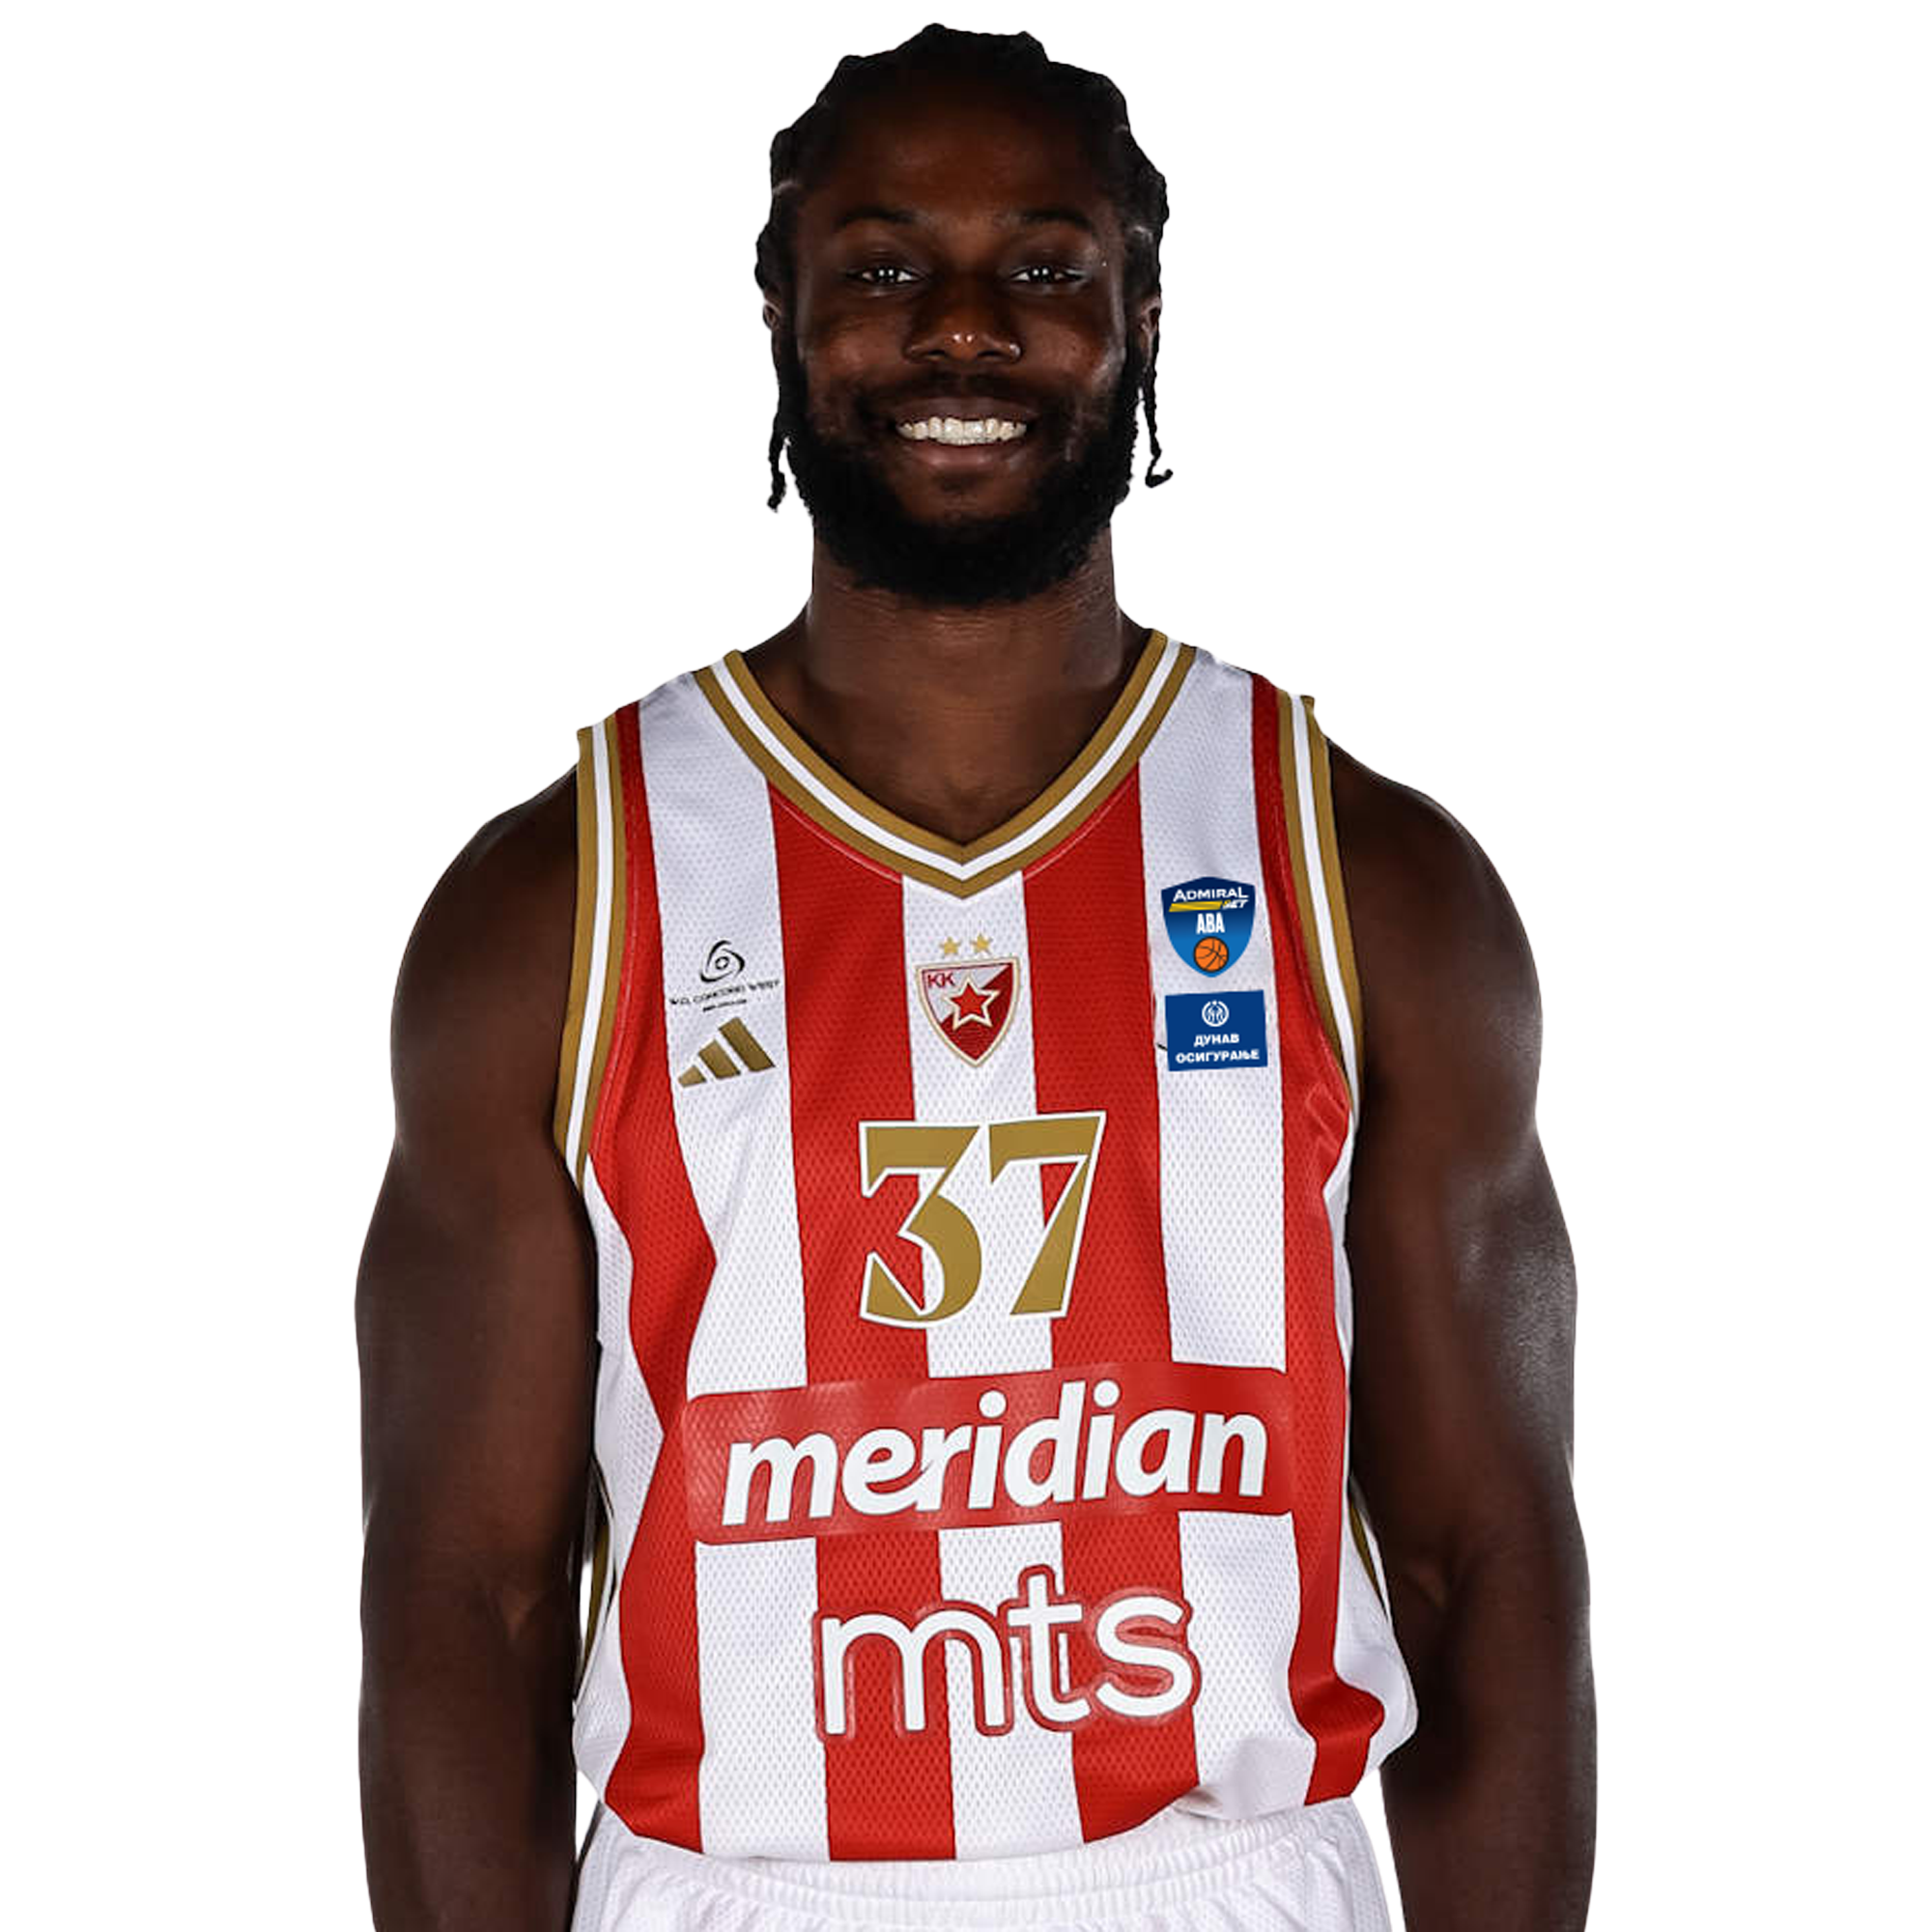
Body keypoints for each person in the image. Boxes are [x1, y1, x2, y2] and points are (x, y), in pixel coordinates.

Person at [356, 26, 1595, 1932]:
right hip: (737, 1888)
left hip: (1231, 1876)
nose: (959, 327)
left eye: (1041, 265)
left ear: (1137, 326)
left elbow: (1486, 1562)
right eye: (881, 265)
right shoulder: (557, 900)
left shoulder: (1367, 876)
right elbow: (464, 1597)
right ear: (784, 322)